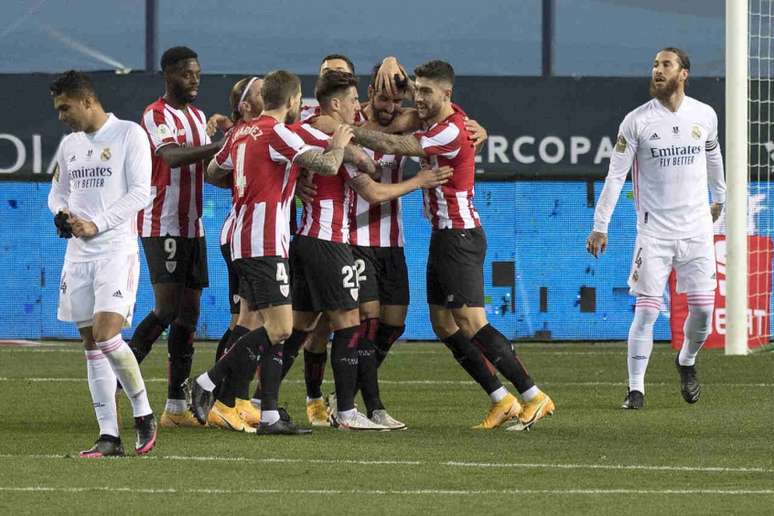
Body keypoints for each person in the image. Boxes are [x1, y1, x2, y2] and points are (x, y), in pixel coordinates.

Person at [345, 60, 555, 431]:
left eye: (427, 92)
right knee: (444, 323)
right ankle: (500, 398)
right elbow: (400, 97)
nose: (418, 98)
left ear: (447, 94)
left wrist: (347, 133)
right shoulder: (450, 118)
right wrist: (395, 64)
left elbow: (397, 143)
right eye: (417, 90)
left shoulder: (450, 130)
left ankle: (533, 395)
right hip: (444, 236)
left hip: (459, 236)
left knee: (472, 321)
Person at [190, 70, 363, 435]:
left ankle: (268, 414)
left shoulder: (240, 131)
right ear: (293, 100)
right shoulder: (277, 132)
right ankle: (208, 381)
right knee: (280, 328)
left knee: (255, 321)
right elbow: (330, 165)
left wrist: (255, 180)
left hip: (241, 236)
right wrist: (339, 141)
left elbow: (211, 171)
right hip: (265, 241)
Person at [282, 70, 452, 430]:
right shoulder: (344, 126)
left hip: (392, 241)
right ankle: (365, 406)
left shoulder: (403, 123)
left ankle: (332, 399)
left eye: (397, 100)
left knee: (391, 324)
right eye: (381, 98)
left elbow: (440, 106)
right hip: (353, 241)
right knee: (354, 326)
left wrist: (474, 128)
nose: (390, 106)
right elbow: (319, 126)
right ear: (366, 97)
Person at [586, 47, 725, 409]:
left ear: (684, 74)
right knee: (647, 310)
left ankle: (687, 361)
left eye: (666, 65)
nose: (657, 71)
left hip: (696, 230)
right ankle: (636, 390)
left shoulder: (705, 115)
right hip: (654, 233)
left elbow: (713, 155)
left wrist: (720, 198)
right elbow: (616, 176)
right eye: (654, 65)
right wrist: (600, 225)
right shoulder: (636, 122)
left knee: (704, 312)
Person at [48, 70, 157, 457]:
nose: (61, 115)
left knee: (107, 333)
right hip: (78, 256)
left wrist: (98, 223)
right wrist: (63, 215)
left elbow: (140, 192)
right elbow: (57, 194)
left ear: (87, 102)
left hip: (115, 249)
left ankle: (143, 412)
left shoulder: (129, 135)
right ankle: (108, 436)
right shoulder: (69, 146)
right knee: (91, 343)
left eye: (65, 107)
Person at [130, 46, 223, 428]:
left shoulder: (199, 117)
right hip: (162, 223)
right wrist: (219, 145)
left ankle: (175, 406)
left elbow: (208, 159)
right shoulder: (155, 114)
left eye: (198, 73)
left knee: (189, 315)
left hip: (193, 227)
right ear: (169, 75)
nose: (195, 79)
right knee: (166, 309)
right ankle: (114, 378)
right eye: (187, 74)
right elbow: (170, 156)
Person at [205, 76, 265, 431]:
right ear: (245, 105)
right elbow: (214, 171)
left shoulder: (249, 133)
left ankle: (232, 398)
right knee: (250, 319)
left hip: (251, 236)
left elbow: (215, 173)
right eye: (259, 93)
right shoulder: (252, 135)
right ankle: (225, 398)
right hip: (249, 237)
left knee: (242, 320)